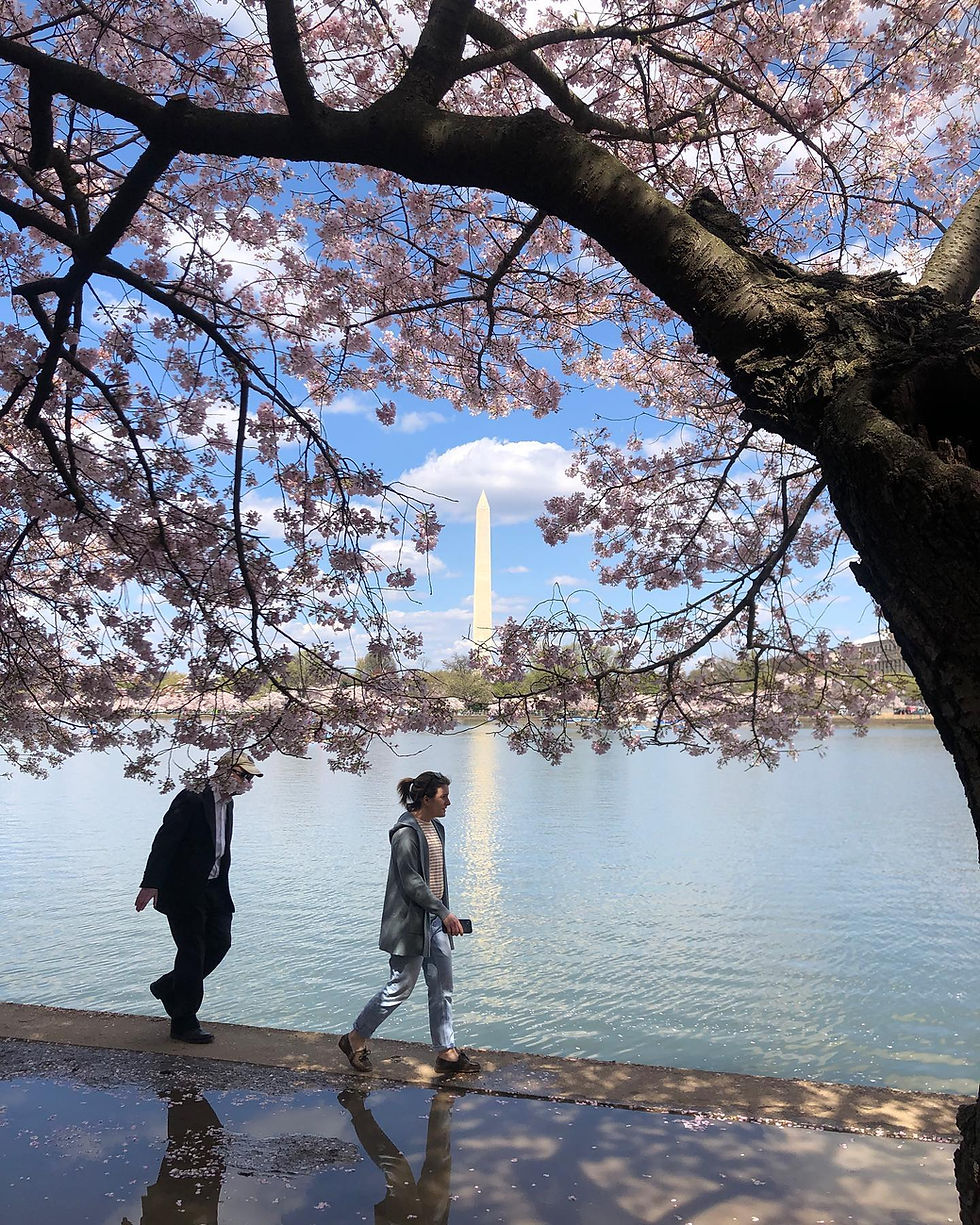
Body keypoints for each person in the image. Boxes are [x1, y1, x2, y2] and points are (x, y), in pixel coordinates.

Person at [339, 771, 481, 1075]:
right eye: (444, 797)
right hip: (411, 923)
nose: (449, 802)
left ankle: (447, 1053)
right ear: (426, 799)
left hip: (435, 920)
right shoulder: (405, 833)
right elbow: (412, 882)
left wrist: (442, 913)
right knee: (400, 987)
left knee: (442, 987)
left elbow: (435, 878)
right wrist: (444, 912)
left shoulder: (436, 828)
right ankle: (355, 1038)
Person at [134, 751, 263, 1044]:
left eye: (250, 778)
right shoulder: (192, 798)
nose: (248, 783)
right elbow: (165, 841)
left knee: (220, 942)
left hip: (215, 887)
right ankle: (184, 1022)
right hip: (183, 890)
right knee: (192, 952)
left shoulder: (227, 804)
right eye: (244, 776)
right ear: (224, 772)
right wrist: (151, 884)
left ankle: (169, 986)